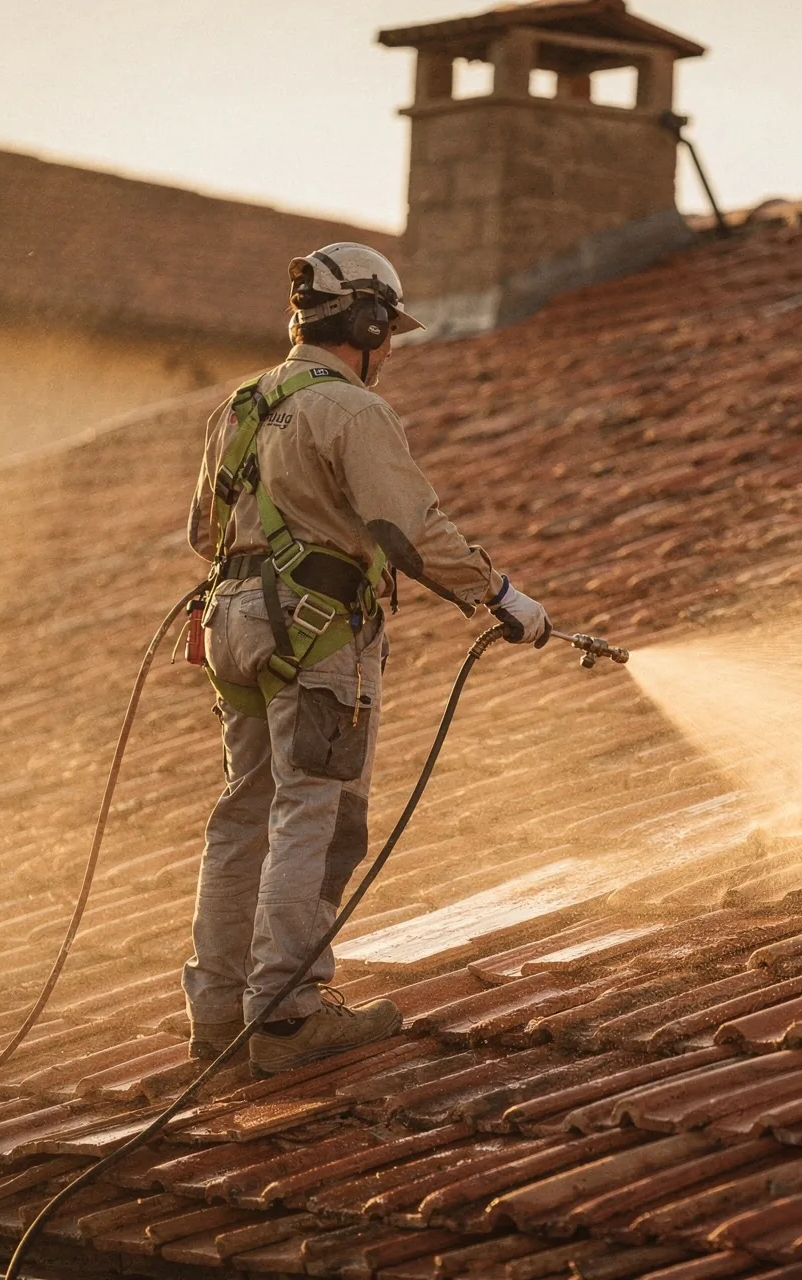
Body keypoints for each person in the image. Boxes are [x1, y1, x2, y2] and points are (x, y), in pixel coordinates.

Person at [182, 243, 550, 1076]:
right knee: (312, 811)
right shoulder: (352, 411)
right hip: (313, 634)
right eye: (387, 332)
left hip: (234, 626)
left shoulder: (242, 405)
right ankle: (284, 1019)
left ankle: (215, 1019)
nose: (389, 351)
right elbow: (407, 531)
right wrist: (500, 597)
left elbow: (202, 535)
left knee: (243, 813)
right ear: (368, 320)